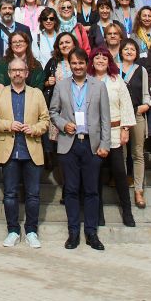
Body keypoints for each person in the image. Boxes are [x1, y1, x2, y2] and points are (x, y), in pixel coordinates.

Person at [48, 48, 111, 250]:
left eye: (81, 63)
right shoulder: (61, 86)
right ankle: (73, 232)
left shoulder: (99, 86)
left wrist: (105, 144)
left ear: (87, 64)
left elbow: (105, 119)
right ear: (70, 64)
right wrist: (62, 123)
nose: (77, 67)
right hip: (69, 143)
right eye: (74, 63)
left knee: (92, 191)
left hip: (91, 145)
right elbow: (53, 112)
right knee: (72, 190)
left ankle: (91, 233)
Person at [0, 56, 50, 248]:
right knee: (10, 194)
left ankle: (31, 231)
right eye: (13, 70)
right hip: (9, 150)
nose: (17, 73)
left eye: (20, 70)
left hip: (31, 149)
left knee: (33, 194)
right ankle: (13, 230)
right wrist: (8, 125)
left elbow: (45, 120)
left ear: (26, 73)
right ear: (8, 73)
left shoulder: (36, 94)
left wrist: (35, 129)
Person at [93, 47, 137, 229]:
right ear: (92, 61)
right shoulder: (88, 81)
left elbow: (126, 104)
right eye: (97, 58)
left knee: (119, 173)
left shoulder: (116, 80)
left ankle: (127, 211)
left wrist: (125, 127)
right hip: (95, 135)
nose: (101, 61)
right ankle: (98, 213)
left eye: (104, 58)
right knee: (96, 176)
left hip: (115, 131)